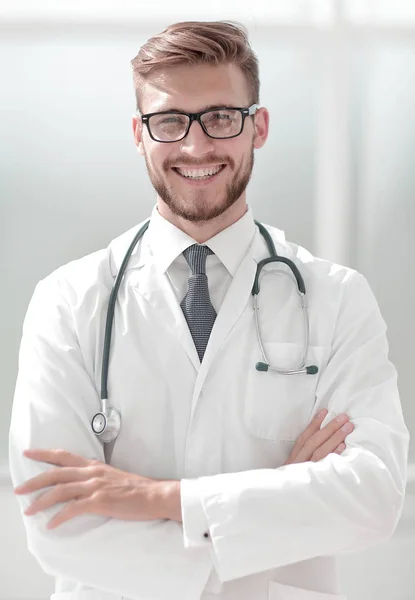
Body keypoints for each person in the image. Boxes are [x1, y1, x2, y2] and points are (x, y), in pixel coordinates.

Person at [9, 20, 409, 600]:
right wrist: (280, 508)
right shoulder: (67, 301)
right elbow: (58, 525)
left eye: (221, 117)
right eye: (169, 121)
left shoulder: (338, 298)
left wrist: (157, 499)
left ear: (259, 127)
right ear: (139, 134)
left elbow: (372, 497)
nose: (197, 146)